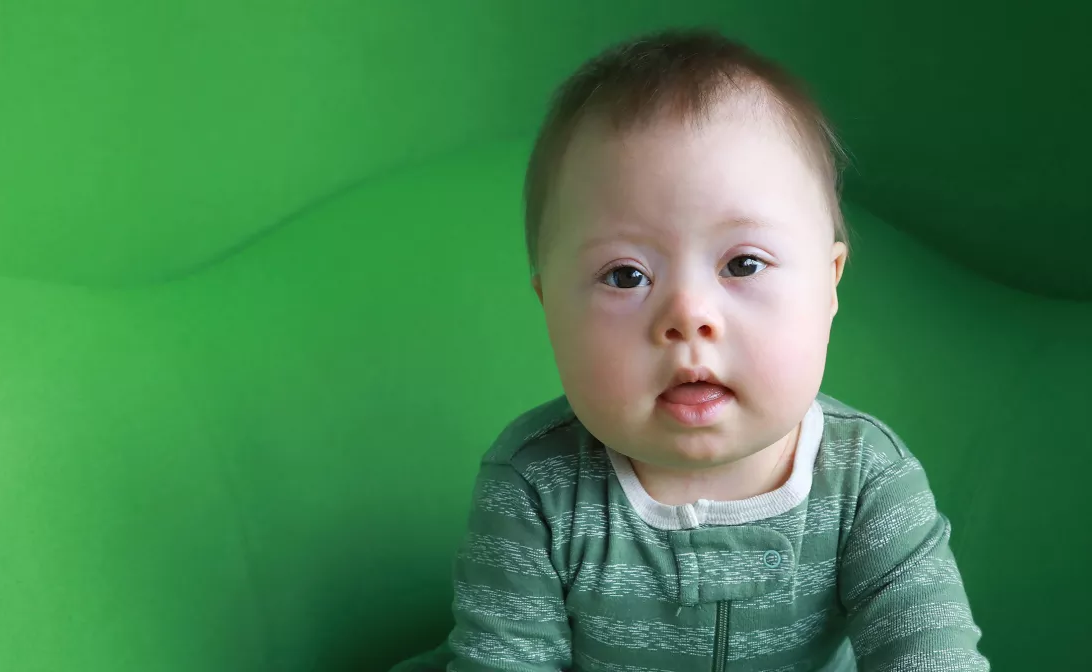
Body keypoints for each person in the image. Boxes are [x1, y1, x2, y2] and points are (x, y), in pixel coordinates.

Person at [396, 27, 988, 672]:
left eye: (742, 263)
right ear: (550, 309)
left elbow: (933, 659)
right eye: (626, 276)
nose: (688, 316)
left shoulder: (867, 480)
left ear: (829, 285)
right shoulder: (536, 485)